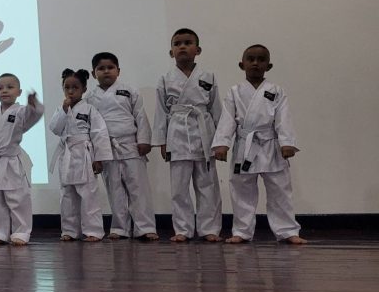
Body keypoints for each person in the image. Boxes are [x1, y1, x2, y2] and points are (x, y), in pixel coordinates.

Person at [211, 44, 307, 244]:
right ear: (242, 64)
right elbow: (227, 119)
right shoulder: (235, 91)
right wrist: (222, 143)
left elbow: (283, 118)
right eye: (251, 59)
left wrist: (286, 142)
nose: (255, 63)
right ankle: (242, 231)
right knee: (241, 190)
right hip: (244, 145)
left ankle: (288, 231)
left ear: (268, 66)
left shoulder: (276, 91)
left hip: (271, 144)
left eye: (261, 59)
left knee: (280, 189)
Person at [152, 28, 223, 242]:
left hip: (204, 133)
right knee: (179, 187)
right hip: (177, 134)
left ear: (198, 50)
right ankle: (182, 229)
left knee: (207, 185)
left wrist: (221, 140)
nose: (182, 46)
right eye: (177, 43)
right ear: (171, 52)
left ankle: (209, 228)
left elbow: (216, 108)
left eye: (188, 42)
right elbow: (161, 112)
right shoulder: (165, 79)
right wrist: (162, 141)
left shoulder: (208, 76)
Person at [86, 52, 158, 240]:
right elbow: (89, 127)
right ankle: (120, 228)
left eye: (110, 67)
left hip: (130, 144)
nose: (106, 71)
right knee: (114, 189)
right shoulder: (89, 98)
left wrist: (144, 140)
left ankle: (146, 227)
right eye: (101, 68)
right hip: (105, 147)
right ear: (93, 74)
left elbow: (140, 116)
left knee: (138, 188)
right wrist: (94, 153)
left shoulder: (130, 91)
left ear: (118, 70)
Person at [49, 69, 113, 242]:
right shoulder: (61, 109)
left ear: (84, 89)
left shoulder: (90, 109)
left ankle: (93, 231)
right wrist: (63, 110)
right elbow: (55, 129)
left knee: (88, 194)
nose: (70, 91)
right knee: (67, 194)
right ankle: (70, 231)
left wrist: (99, 158)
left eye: (75, 87)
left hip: (84, 154)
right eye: (67, 87)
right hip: (67, 154)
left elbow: (99, 133)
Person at [0, 73, 44, 245]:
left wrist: (33, 105)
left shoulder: (20, 111)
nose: (4, 91)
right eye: (0, 88)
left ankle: (21, 233)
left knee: (17, 198)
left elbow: (33, 116)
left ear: (19, 92)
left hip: (10, 161)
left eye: (10, 87)